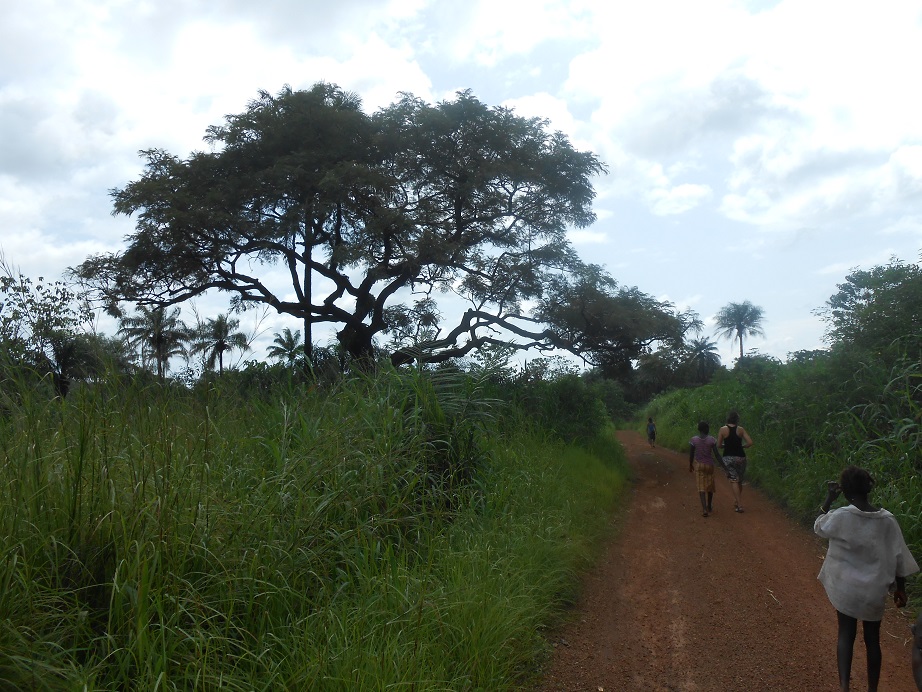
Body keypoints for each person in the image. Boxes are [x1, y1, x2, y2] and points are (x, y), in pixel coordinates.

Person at [814, 466, 919, 692]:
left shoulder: (841, 515)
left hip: (847, 590)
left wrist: (829, 498)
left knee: (846, 634)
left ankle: (844, 687)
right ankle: (872, 689)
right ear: (868, 488)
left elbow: (819, 526)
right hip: (874, 592)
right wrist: (901, 589)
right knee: (873, 640)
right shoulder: (888, 520)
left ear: (845, 490)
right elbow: (899, 555)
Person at [716, 410, 753, 512]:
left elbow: (718, 445)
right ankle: (737, 502)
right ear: (737, 420)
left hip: (728, 458)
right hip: (741, 457)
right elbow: (750, 442)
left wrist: (726, 445)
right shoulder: (740, 429)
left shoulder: (723, 429)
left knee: (734, 480)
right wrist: (743, 446)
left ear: (728, 419)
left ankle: (739, 505)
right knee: (739, 480)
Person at [688, 421, 722, 517]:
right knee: (710, 486)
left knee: (701, 487)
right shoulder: (712, 440)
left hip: (699, 465)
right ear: (707, 429)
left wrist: (690, 464)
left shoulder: (694, 440)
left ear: (699, 430)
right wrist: (724, 466)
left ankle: (704, 509)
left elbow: (691, 454)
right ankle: (709, 506)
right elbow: (717, 455)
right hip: (709, 466)